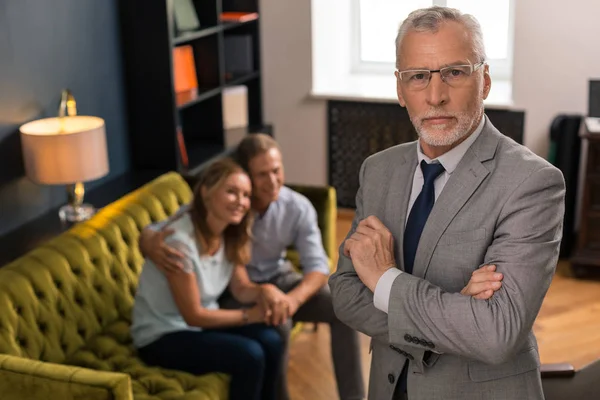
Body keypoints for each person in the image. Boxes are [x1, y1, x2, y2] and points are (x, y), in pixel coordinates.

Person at [329, 6, 565, 400]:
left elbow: (495, 334)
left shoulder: (533, 183)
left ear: (484, 80)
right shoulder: (378, 170)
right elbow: (345, 293)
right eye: (418, 76)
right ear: (400, 89)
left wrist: (385, 280)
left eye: (454, 72)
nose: (435, 96)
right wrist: (457, 313)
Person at [139, 134, 365, 400]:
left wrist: (291, 301)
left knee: (342, 308)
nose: (272, 182)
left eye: (276, 171)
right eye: (261, 175)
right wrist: (148, 240)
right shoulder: (226, 207)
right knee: (276, 326)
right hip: (230, 294)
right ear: (243, 174)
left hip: (273, 281)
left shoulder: (295, 206)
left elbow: (318, 267)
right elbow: (170, 227)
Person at [131, 158, 284, 400]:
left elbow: (241, 288)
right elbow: (194, 314)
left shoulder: (228, 233)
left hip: (196, 328)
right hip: (161, 336)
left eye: (245, 195)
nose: (241, 202)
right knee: (250, 355)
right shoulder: (179, 241)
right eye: (231, 192)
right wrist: (250, 315)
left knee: (272, 340)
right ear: (206, 192)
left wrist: (264, 290)